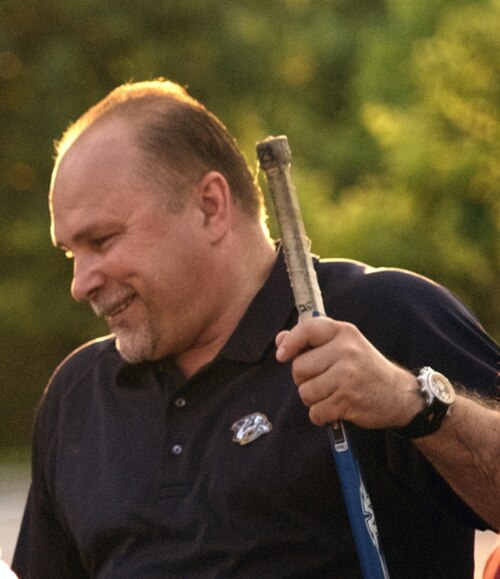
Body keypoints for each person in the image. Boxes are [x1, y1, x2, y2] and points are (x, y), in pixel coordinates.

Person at [12, 79, 500, 579]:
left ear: (210, 205)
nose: (79, 284)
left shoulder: (381, 315)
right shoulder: (77, 394)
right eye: (72, 253)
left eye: (102, 239)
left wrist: (414, 404)